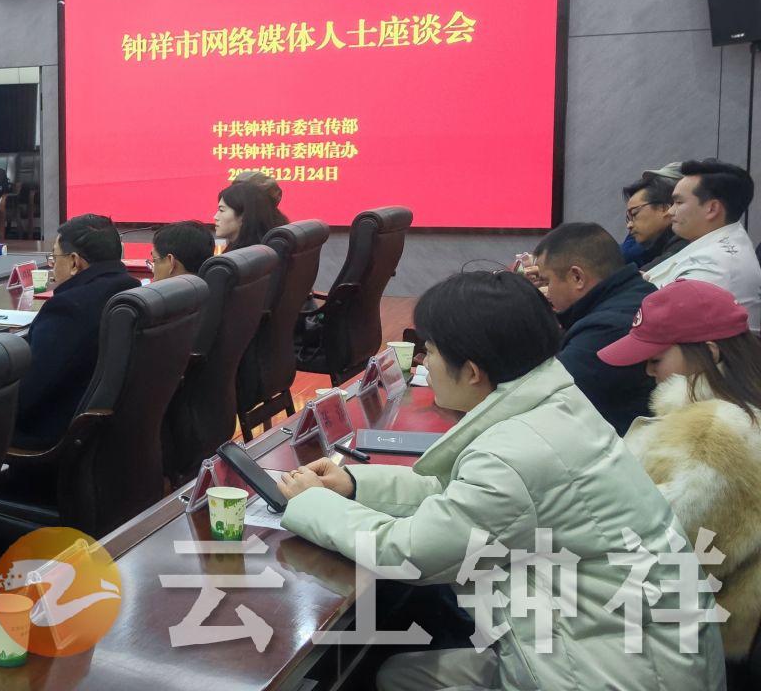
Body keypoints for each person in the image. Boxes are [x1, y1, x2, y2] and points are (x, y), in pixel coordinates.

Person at [276, 272, 724, 690]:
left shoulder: (515, 452)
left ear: (472, 371)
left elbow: (411, 554)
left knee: (394, 673)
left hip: (612, 673)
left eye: (431, 352)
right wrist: (354, 484)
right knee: (399, 672)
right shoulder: (557, 404)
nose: (426, 363)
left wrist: (312, 503)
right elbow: (460, 498)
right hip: (635, 648)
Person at [597, 279, 761, 659]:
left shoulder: (715, 434)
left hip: (683, 642)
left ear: (710, 353)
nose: (648, 371)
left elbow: (650, 552)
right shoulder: (728, 418)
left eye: (656, 359)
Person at [11, 214, 141, 449]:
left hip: (54, 437)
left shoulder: (68, 309)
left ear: (74, 262)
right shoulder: (130, 290)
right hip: (110, 437)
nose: (52, 265)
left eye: (54, 257)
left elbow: (28, 395)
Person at [530, 221, 656, 433]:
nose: (546, 292)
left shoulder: (605, 329)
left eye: (546, 281)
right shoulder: (639, 294)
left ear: (577, 277)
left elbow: (541, 399)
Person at [645, 158, 761, 330]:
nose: (670, 211)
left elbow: (655, 324)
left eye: (678, 202)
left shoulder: (714, 267)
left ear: (712, 209)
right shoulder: (714, 244)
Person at [621, 164, 686, 269]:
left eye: (635, 214)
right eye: (628, 218)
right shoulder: (654, 247)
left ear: (664, 208)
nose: (629, 225)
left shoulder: (685, 244)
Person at [214, 181, 287, 252]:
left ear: (243, 215)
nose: (215, 217)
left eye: (221, 210)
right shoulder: (268, 250)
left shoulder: (251, 256)